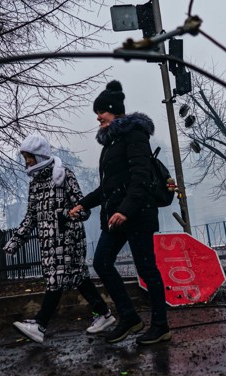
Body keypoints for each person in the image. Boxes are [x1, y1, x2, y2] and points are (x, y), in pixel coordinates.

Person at [69, 80, 170, 345]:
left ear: (114, 111)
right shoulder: (111, 143)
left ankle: (160, 325)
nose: (98, 118)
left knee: (147, 269)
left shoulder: (135, 135)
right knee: (102, 262)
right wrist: (83, 203)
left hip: (136, 213)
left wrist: (125, 210)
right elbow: (109, 187)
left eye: (101, 112)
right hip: (116, 216)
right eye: (97, 114)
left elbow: (141, 178)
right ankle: (129, 317)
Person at [4, 134, 116, 343]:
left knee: (55, 281)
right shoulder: (35, 184)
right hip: (48, 242)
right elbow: (31, 217)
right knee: (79, 279)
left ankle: (40, 324)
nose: (27, 162)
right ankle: (104, 315)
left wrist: (67, 214)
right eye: (25, 158)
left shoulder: (64, 175)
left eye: (29, 157)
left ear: (39, 155)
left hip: (68, 238)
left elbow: (83, 209)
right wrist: (15, 241)